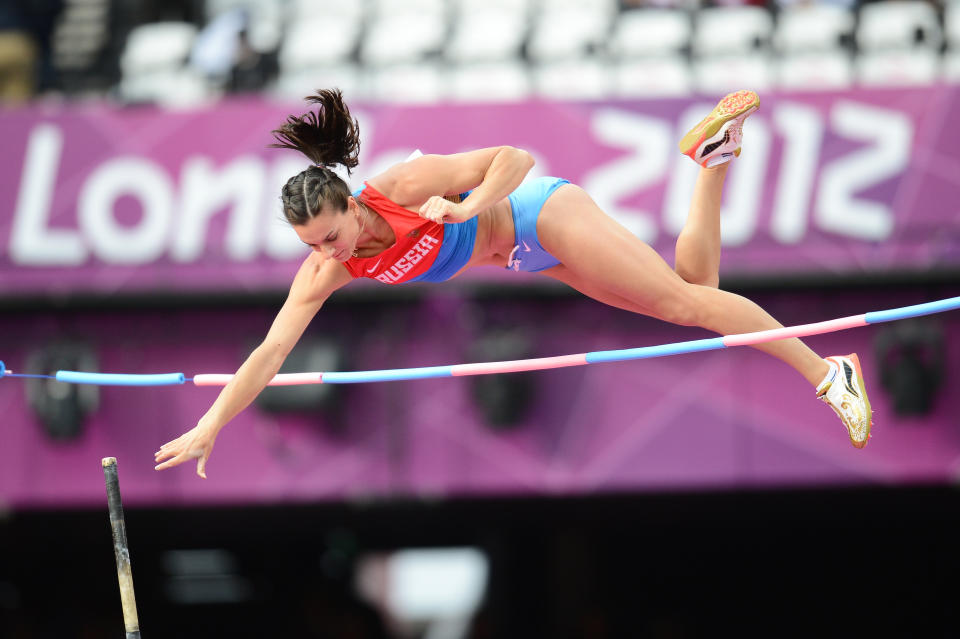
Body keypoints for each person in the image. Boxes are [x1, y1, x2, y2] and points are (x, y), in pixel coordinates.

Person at [155, 89, 872, 478]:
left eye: (330, 233)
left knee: (686, 301)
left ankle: (826, 370)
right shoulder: (326, 269)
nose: (327, 251)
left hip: (541, 213)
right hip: (529, 257)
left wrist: (464, 206)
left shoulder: (402, 185)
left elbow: (517, 156)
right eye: (312, 246)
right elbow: (269, 354)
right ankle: (713, 157)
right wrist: (211, 423)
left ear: (348, 203)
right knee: (697, 289)